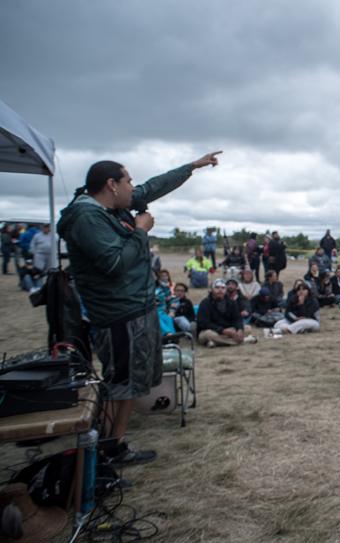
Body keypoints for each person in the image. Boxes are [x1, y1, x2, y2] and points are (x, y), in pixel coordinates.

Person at [57, 151, 221, 465]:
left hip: (135, 310)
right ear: (111, 185)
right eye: (128, 180)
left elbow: (150, 189)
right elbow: (114, 263)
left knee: (131, 382)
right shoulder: (87, 217)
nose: (134, 187)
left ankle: (114, 444)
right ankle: (103, 452)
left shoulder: (110, 207)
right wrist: (141, 231)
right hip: (118, 316)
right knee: (120, 383)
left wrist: (191, 167)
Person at [197, 279, 257, 347]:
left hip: (229, 330)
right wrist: (222, 330)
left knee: (248, 328)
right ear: (212, 289)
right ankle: (244, 340)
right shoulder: (205, 303)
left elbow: (237, 318)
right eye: (217, 288)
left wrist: (239, 329)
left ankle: (216, 343)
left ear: (225, 290)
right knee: (208, 334)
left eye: (222, 288)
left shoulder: (231, 302)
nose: (220, 290)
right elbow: (203, 323)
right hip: (213, 330)